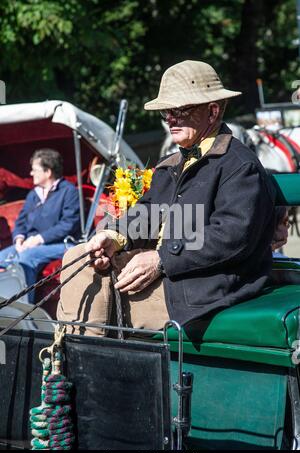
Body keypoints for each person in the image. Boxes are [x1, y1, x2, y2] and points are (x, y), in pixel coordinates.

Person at [57, 60, 276, 336]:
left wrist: (161, 260)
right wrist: (113, 237)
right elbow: (148, 212)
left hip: (203, 289)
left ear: (212, 111)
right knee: (80, 257)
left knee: (96, 295)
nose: (171, 119)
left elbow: (231, 236)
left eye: (180, 111)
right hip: (171, 275)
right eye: (166, 112)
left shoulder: (240, 165)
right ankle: (72, 359)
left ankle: (82, 365)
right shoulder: (170, 164)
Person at [0, 148, 80, 302]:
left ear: (48, 172)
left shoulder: (69, 192)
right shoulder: (33, 194)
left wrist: (38, 239)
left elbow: (68, 224)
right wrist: (19, 240)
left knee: (26, 257)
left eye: (35, 170)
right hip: (30, 243)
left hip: (61, 243)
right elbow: (21, 221)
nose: (31, 173)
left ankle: (25, 311)